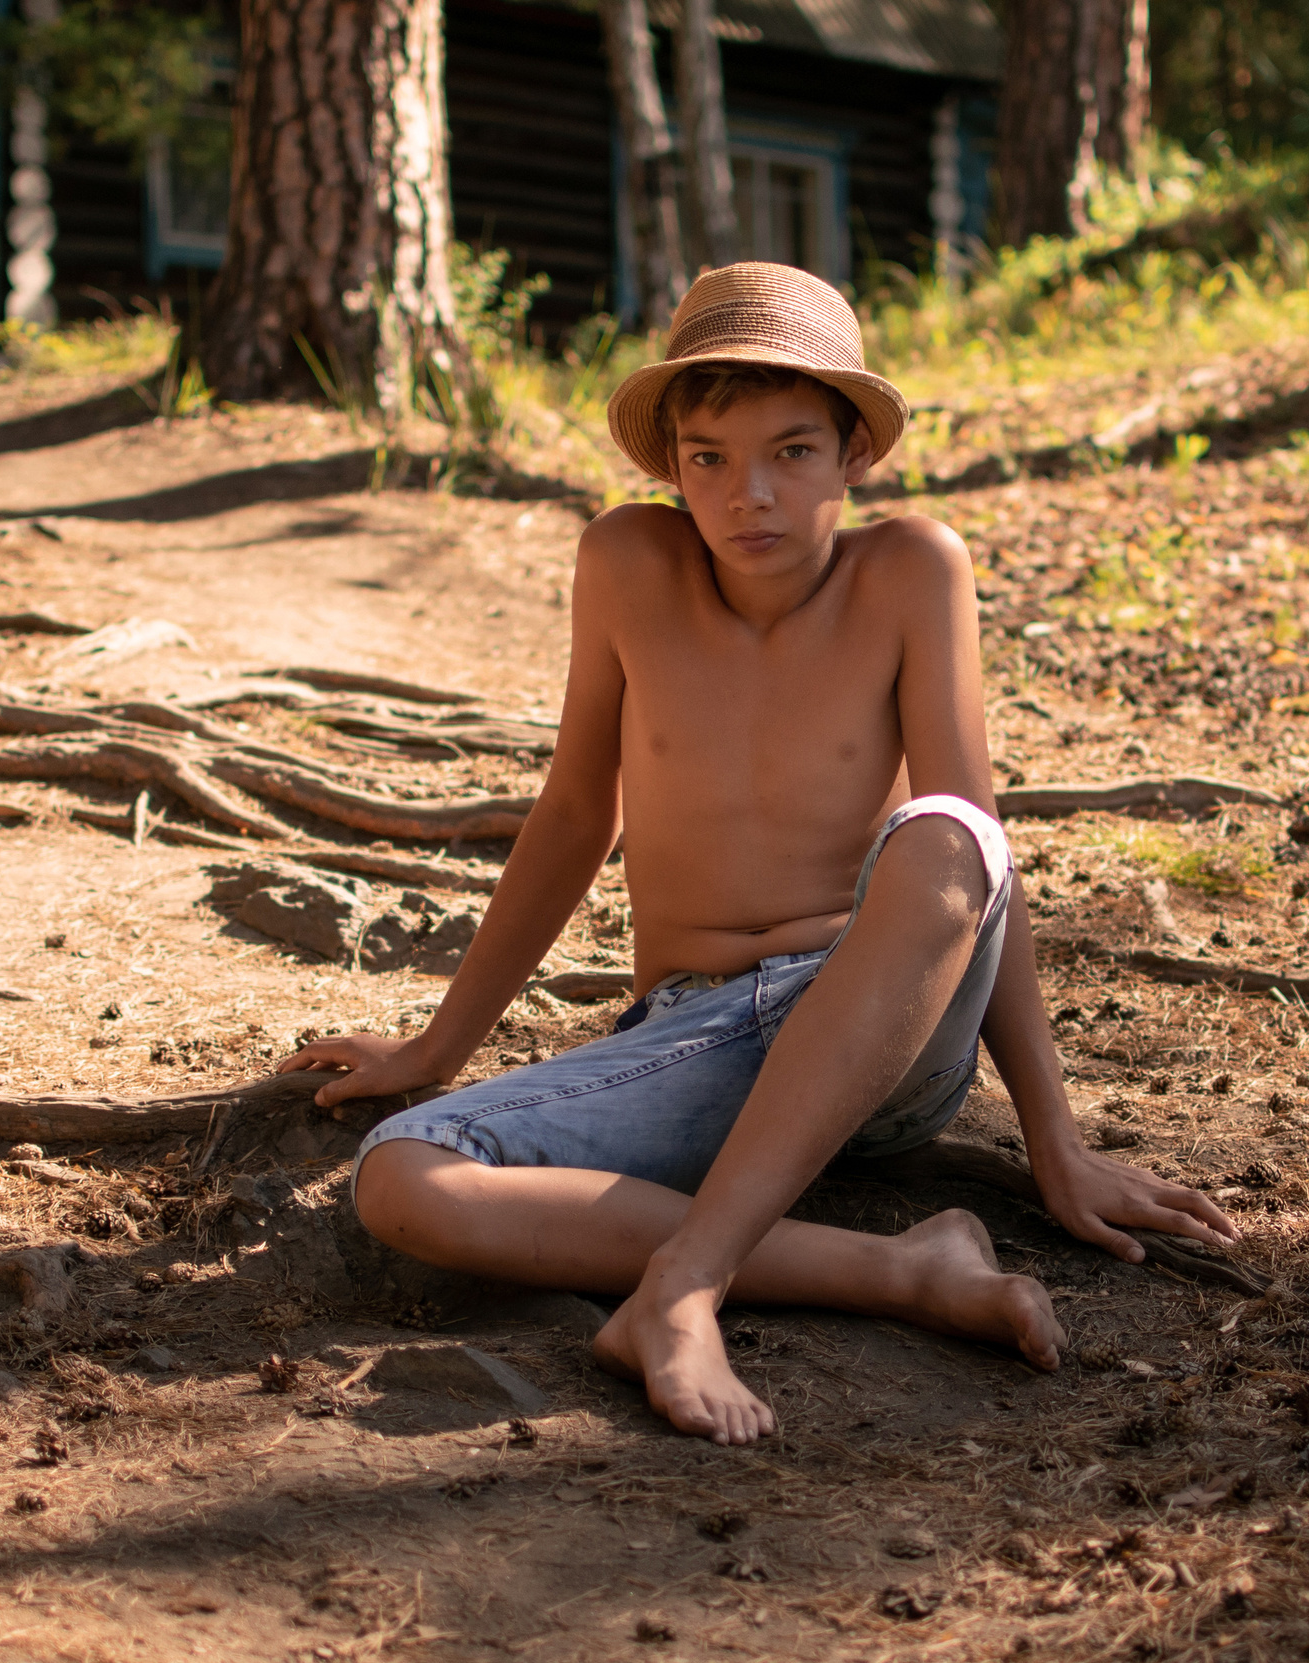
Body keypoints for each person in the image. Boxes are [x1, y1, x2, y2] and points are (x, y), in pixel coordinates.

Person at [277, 263, 1238, 1446]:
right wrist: (437, 1046)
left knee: (948, 831)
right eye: (709, 459)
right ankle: (902, 1270)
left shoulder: (909, 571)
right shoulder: (628, 566)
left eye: (792, 452)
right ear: (670, 466)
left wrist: (1057, 1140)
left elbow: (977, 870)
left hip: (880, 1037)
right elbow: (577, 814)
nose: (751, 496)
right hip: (692, 1042)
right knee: (403, 1177)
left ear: (852, 455)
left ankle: (680, 1288)